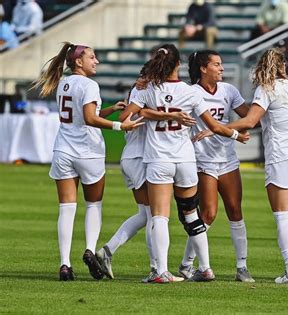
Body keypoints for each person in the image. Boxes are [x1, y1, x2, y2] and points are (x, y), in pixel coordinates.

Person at [120, 44, 249, 283]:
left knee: (159, 217)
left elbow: (125, 117)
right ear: (178, 64)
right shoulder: (191, 92)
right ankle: (206, 268)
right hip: (187, 160)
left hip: (159, 159)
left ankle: (160, 272)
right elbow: (214, 126)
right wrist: (236, 136)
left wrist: (157, 113)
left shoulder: (147, 88)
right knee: (192, 215)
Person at [31, 42, 144, 281]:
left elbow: (83, 116)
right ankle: (90, 250)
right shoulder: (90, 84)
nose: (97, 61)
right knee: (93, 205)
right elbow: (90, 119)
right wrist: (119, 124)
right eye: (92, 57)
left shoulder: (63, 82)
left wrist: (111, 109)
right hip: (88, 152)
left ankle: (64, 264)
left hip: (63, 149)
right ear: (78, 61)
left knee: (66, 209)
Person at [95, 47, 198, 282]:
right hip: (142, 157)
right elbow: (126, 119)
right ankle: (156, 269)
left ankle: (109, 252)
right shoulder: (147, 90)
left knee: (146, 214)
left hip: (134, 157)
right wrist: (164, 115)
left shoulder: (143, 88)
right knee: (155, 215)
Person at [225, 48, 288, 285]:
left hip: (281, 154)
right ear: (282, 66)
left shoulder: (266, 88)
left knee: (282, 215)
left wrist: (219, 127)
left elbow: (250, 121)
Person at [176, 50, 254, 282]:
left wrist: (225, 128)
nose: (221, 68)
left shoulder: (229, 90)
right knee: (208, 213)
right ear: (203, 68)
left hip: (227, 159)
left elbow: (249, 118)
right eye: (216, 64)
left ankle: (241, 267)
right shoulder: (191, 93)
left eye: (221, 64)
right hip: (202, 160)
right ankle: (188, 263)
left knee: (236, 211)